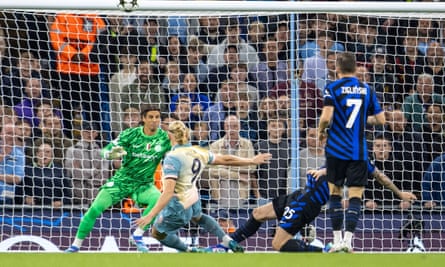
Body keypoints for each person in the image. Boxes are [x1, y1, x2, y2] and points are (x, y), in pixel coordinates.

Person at [134, 120, 272, 253]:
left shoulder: (172, 157)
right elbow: (226, 159)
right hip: (193, 197)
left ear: (170, 135)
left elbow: (169, 191)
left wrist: (150, 215)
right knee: (198, 216)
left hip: (177, 203)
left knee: (157, 233)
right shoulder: (198, 151)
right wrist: (251, 160)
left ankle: (189, 250)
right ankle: (226, 240)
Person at [228, 162, 417, 252]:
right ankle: (229, 245)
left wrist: (400, 194)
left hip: (307, 203)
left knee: (278, 244)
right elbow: (380, 176)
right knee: (258, 213)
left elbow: (377, 176)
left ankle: (321, 249)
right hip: (300, 195)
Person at [65, 104, 171, 253]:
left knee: (158, 199)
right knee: (94, 210)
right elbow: (105, 152)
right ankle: (75, 245)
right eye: (151, 117)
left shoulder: (165, 138)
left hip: (143, 185)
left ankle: (137, 235)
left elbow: (178, 151)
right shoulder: (130, 134)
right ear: (143, 119)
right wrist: (117, 152)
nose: (154, 120)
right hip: (122, 181)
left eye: (157, 117)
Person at [317, 52, 386, 252]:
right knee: (355, 197)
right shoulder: (367, 89)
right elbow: (381, 120)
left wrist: (321, 132)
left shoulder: (332, 87)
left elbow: (326, 117)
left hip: (336, 150)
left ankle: (337, 241)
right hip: (359, 152)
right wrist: (362, 120)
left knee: (335, 195)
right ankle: (348, 241)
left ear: (337, 68)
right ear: (355, 68)